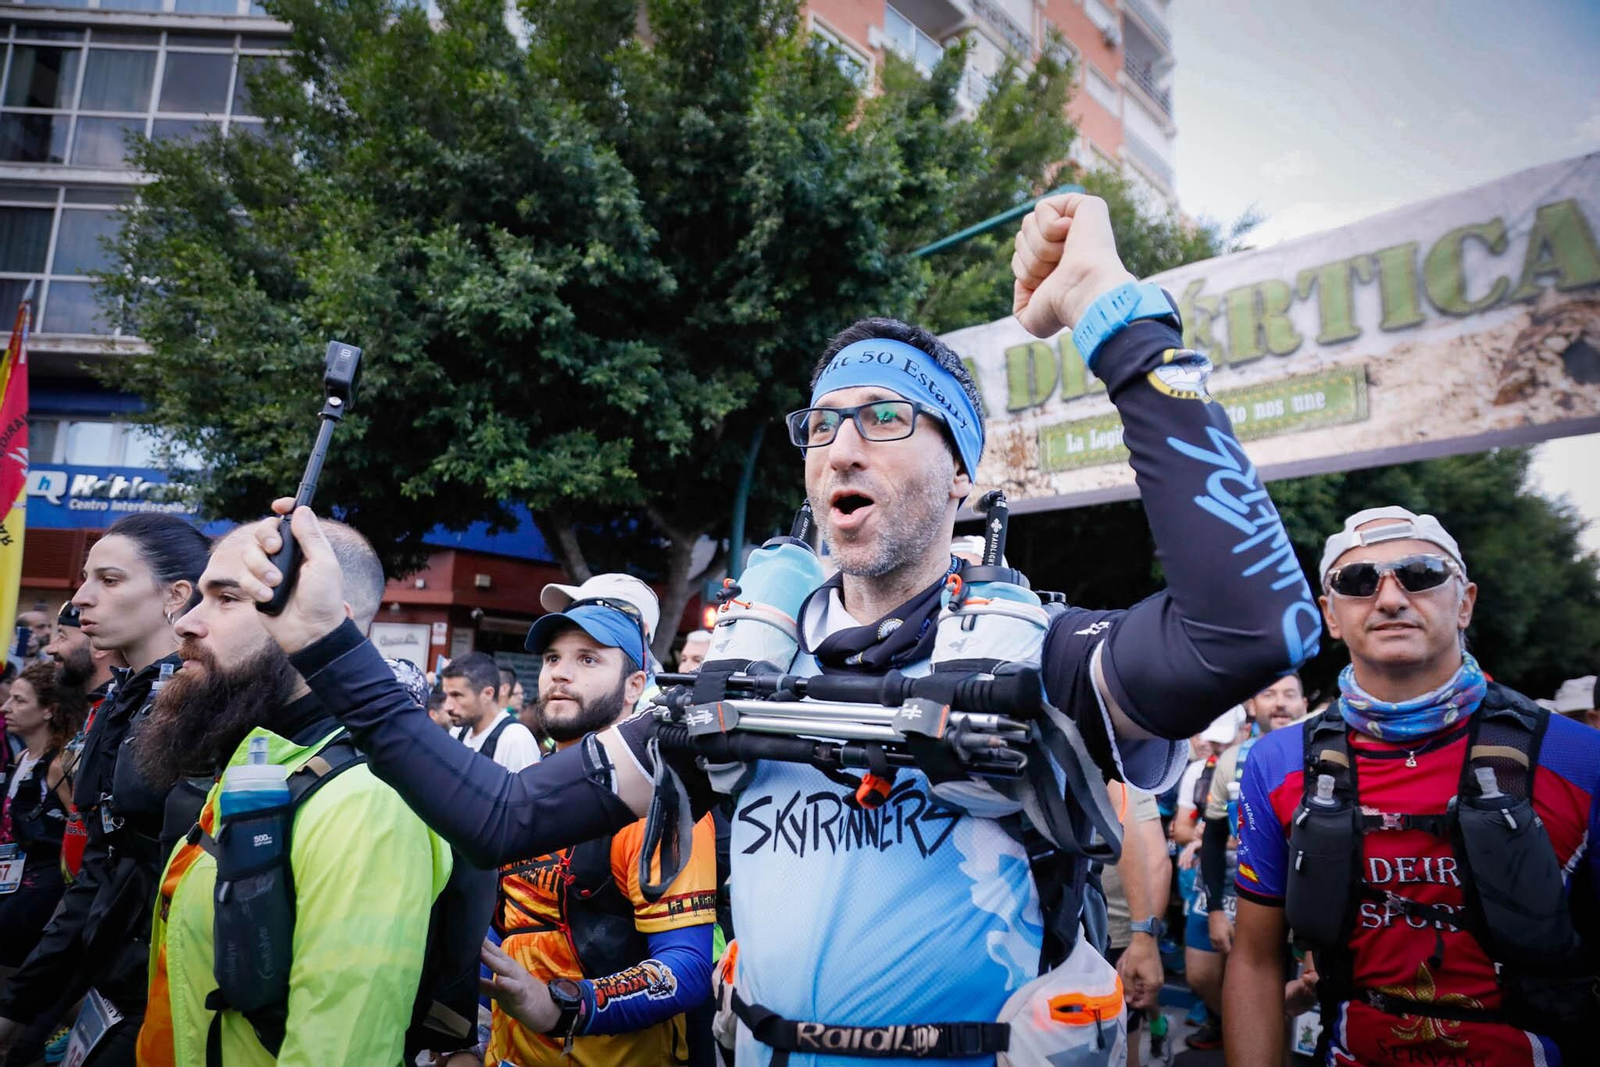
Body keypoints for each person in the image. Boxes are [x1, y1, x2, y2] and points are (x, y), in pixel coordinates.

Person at [234, 192, 1319, 1066]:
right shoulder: (742, 678)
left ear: (962, 470)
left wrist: (1115, 313)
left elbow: (1252, 625)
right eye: (823, 422)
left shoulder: (1045, 658)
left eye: (886, 417)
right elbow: (500, 811)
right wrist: (329, 642)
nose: (843, 444)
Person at [1224, 506, 1600, 1066]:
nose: (1391, 599)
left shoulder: (1578, 757)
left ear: (1465, 601)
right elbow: (1255, 959)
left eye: (1421, 575)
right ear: (1330, 615)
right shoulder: (1276, 762)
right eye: (1357, 583)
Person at [127, 517, 465, 1067]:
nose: (186, 623)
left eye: (228, 598)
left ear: (324, 622)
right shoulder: (264, 764)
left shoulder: (365, 800)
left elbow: (338, 1049)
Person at [0, 514, 210, 1067]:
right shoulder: (120, 699)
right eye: (85, 578)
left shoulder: (208, 707)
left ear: (177, 594)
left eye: (109, 580)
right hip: (108, 977)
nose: (79, 600)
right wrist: (26, 1005)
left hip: (170, 992)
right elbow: (101, 861)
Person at [478, 597, 715, 1066]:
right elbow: (496, 933)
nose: (560, 674)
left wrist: (563, 1006)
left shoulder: (659, 805)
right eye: (552, 659)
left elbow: (685, 970)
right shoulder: (521, 791)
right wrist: (467, 1039)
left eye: (587, 659)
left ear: (634, 687)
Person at [1184, 675, 1306, 1051]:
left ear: (1303, 703)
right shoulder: (1234, 759)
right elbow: (1215, 835)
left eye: (1289, 695)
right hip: (1229, 889)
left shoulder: (1319, 753)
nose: (1280, 703)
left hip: (1291, 905)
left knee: (1286, 1002)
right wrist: (1217, 908)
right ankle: (1236, 1028)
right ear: (1253, 707)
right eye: (1269, 695)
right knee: (1201, 974)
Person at [0, 663, 89, 976]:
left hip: (42, 892)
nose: (6, 707)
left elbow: (82, 830)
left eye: (20, 700)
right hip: (13, 884)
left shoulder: (58, 766)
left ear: (49, 711)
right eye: (9, 698)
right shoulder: (21, 758)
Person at [1099, 784, 1169, 1067]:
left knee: (1123, 1043)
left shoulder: (1123, 782)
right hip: (1065, 930)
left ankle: (1158, 1027)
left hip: (1118, 931)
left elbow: (1158, 862)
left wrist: (1143, 938)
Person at [443, 652, 541, 771]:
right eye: (447, 696)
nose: (448, 706)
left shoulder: (515, 739)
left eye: (457, 695)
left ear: (487, 694)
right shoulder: (457, 732)